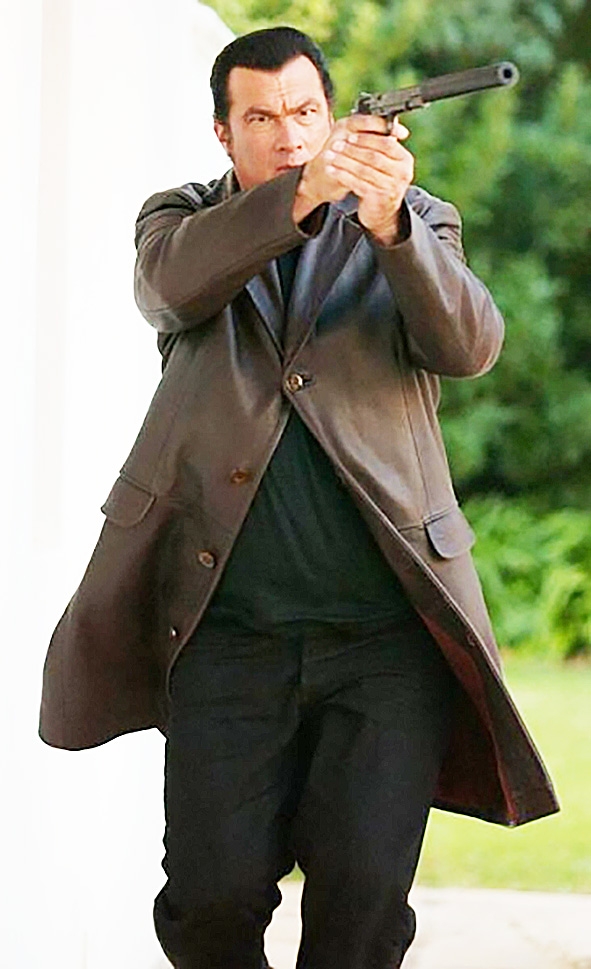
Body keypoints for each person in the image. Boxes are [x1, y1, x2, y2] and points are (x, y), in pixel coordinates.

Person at [40, 25, 558, 969]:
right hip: (228, 634)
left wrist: (391, 226)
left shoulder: (417, 219)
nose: (287, 134)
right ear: (222, 131)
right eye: (262, 118)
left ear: (331, 113)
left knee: (363, 906)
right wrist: (305, 195)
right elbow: (169, 288)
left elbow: (468, 347)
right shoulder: (179, 220)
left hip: (384, 642)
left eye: (304, 112)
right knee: (210, 901)